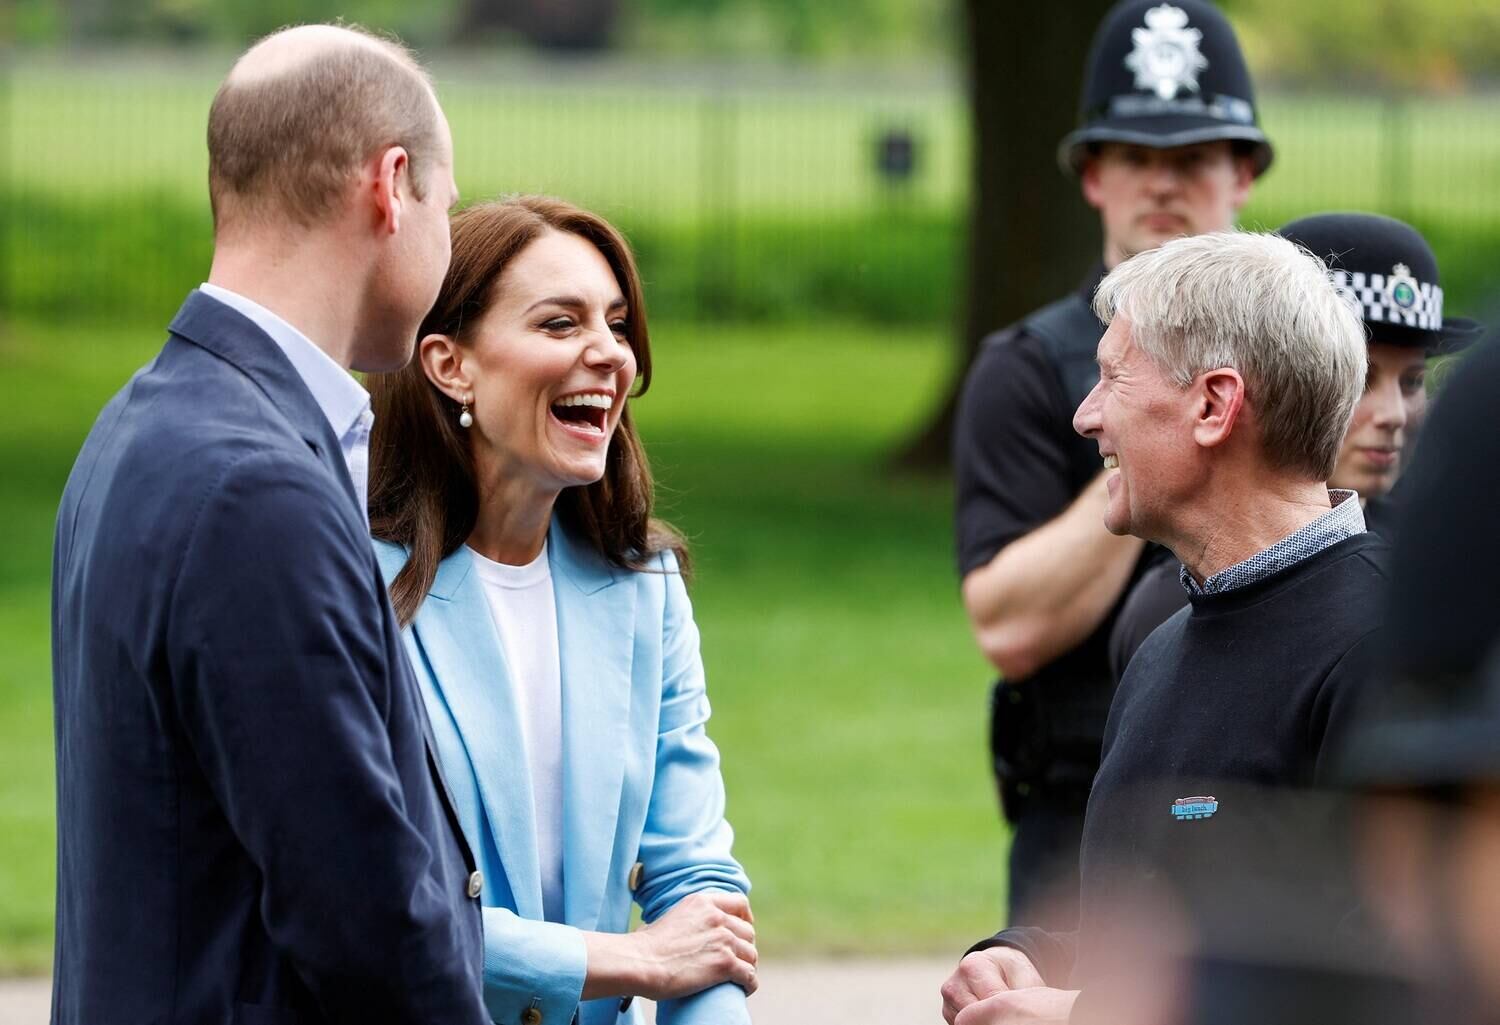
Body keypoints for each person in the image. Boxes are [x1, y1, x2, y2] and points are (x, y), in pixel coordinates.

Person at [49, 26, 489, 1025]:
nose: (447, 238)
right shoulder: (256, 488)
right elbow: (365, 921)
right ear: (392, 186)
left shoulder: (136, 426)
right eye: (447, 205)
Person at [942, 231, 1382, 1025]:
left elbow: (1402, 984)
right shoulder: (1160, 647)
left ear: (1214, 405)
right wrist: (1032, 958)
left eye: (1112, 377)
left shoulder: (1385, 648)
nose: (1086, 416)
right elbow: (1171, 938)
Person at [366, 196, 756, 1025]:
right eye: (559, 323)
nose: (610, 353)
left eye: (616, 324)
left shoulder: (643, 586)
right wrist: (625, 960)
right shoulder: (353, 587)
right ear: (449, 365)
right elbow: (378, 908)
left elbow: (697, 888)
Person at [953, 0, 1272, 930]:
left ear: (1244, 173)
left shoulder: (1304, 361)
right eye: (1135, 155)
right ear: (1093, 175)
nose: (1162, 182)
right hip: (1085, 808)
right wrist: (1151, 435)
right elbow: (1008, 626)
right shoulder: (1027, 367)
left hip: (1268, 796)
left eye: (1194, 157)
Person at [1106, 212, 1486, 682]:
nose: (1393, 414)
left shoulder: (1444, 559)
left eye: (1411, 382)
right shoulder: (1178, 603)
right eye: (1361, 380)